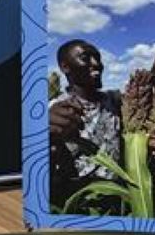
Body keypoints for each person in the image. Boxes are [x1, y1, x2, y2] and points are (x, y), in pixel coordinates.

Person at [48, 38, 123, 212]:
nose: (96, 63)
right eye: (86, 58)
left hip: (120, 201)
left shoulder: (114, 102)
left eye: (97, 57)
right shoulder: (54, 110)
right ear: (65, 67)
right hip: (80, 205)